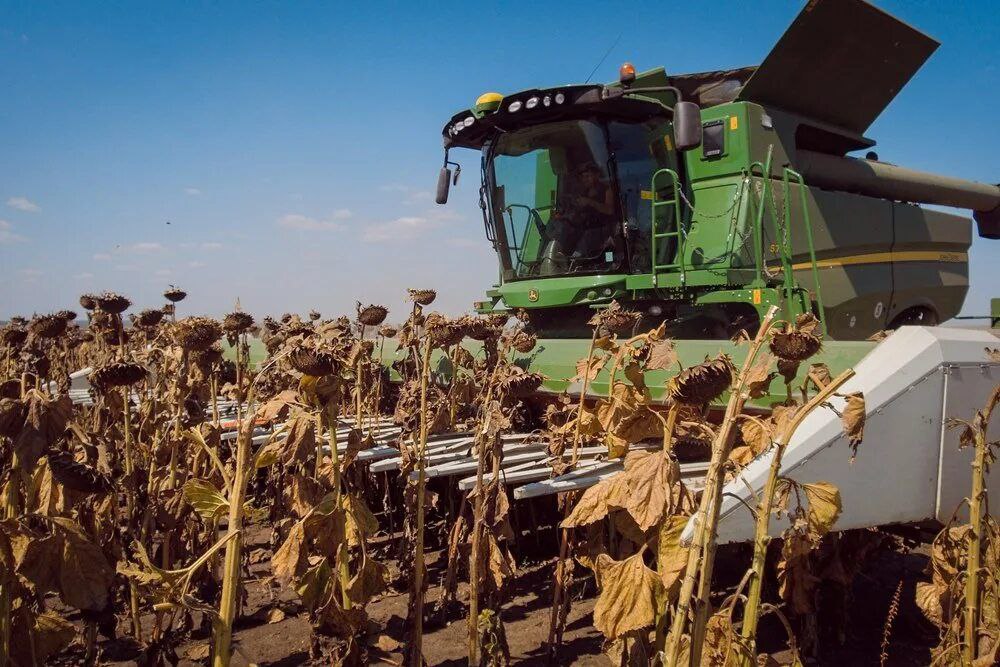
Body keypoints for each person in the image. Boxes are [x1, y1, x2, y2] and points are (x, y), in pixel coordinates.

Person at [550, 162, 617, 260]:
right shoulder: (584, 192)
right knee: (560, 226)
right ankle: (555, 256)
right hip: (584, 228)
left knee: (589, 241)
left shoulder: (607, 190)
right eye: (583, 177)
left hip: (602, 231)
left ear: (597, 175)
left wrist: (590, 202)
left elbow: (610, 210)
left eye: (588, 176)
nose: (585, 179)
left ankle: (575, 261)